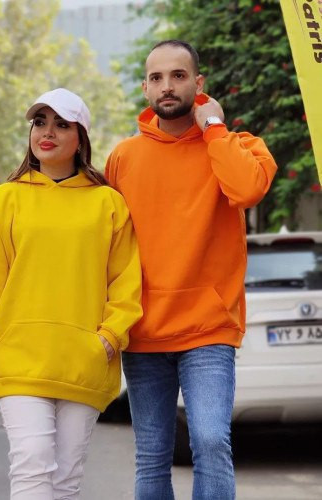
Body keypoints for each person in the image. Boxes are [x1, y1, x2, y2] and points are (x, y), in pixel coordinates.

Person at [105, 40, 277, 500]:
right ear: (145, 88)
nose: (167, 85)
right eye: (157, 77)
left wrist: (214, 127)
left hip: (209, 329)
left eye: (178, 75)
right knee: (151, 456)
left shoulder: (239, 147)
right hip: (143, 329)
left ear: (198, 84)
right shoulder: (123, 158)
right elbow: (108, 242)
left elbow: (246, 191)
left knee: (211, 442)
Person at [0, 87, 142, 500]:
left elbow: (125, 282)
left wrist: (109, 338)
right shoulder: (1, 201)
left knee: (67, 478)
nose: (47, 132)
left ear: (81, 138)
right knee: (33, 461)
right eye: (40, 122)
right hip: (18, 355)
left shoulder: (109, 204)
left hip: (84, 359)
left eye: (61, 124)